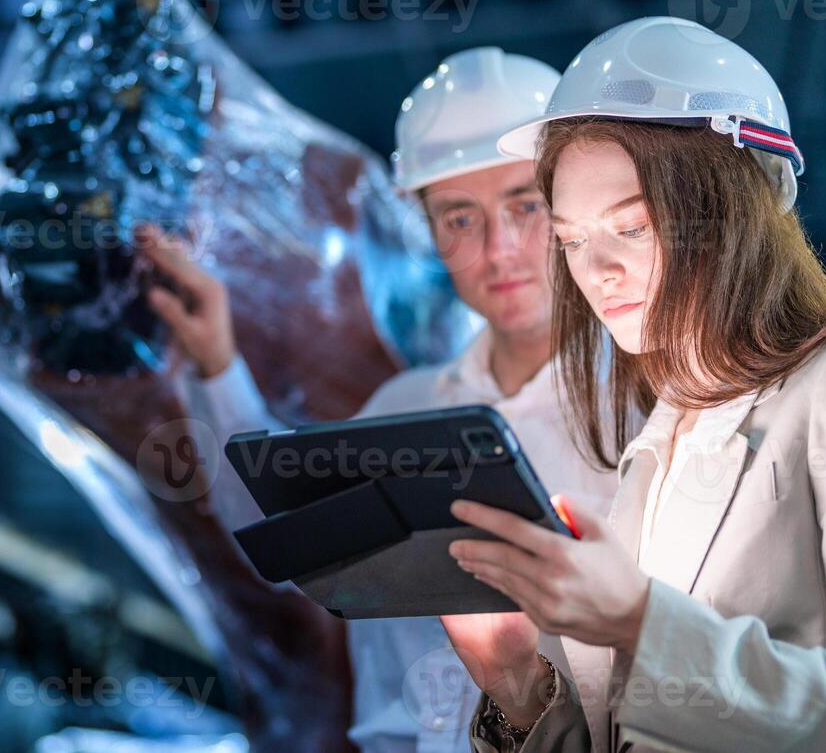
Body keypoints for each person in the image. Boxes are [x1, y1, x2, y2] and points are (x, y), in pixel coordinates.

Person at [441, 16, 826, 751]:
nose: (595, 271)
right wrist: (514, 681)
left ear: (734, 209)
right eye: (571, 241)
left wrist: (640, 621)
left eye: (630, 228)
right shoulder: (658, 444)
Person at [138, 47, 618, 753]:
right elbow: (288, 539)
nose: (499, 249)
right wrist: (216, 364)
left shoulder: (653, 413)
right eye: (460, 218)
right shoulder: (405, 409)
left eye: (527, 206)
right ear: (424, 226)